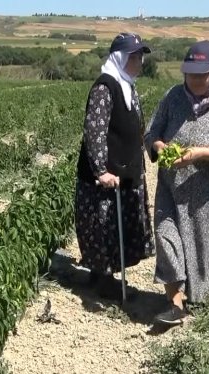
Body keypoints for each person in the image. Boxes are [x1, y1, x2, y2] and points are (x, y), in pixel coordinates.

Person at [144, 40, 209, 325]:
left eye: (200, 74)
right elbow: (151, 132)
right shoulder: (173, 97)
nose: (193, 79)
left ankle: (201, 300)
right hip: (171, 187)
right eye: (189, 73)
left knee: (204, 250)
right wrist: (157, 145)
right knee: (166, 237)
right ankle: (175, 303)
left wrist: (201, 154)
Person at [75, 32, 154, 300]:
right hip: (106, 176)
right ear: (120, 58)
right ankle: (103, 278)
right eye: (134, 56)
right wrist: (100, 170)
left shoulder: (127, 85)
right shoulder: (105, 88)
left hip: (124, 170)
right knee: (102, 226)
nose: (139, 62)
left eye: (140, 56)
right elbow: (94, 131)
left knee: (118, 227)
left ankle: (104, 275)